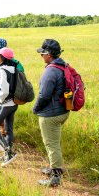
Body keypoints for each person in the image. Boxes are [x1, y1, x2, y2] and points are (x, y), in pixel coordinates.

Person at [33, 39, 69, 187]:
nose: (41, 56)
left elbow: (44, 95)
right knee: (54, 142)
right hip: (63, 110)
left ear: (48, 54)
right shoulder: (63, 66)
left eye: (42, 53)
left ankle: (55, 176)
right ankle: (54, 167)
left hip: (51, 114)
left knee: (51, 144)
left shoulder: (50, 70)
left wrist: (35, 108)